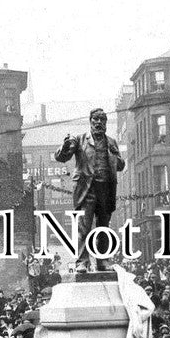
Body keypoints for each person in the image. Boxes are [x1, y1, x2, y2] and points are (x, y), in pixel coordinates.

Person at [54, 108, 125, 271]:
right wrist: (65, 145)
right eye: (96, 119)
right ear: (90, 122)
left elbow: (120, 166)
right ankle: (82, 262)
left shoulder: (112, 142)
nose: (99, 122)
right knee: (84, 226)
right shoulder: (80, 140)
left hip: (105, 189)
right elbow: (61, 157)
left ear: (106, 123)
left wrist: (115, 156)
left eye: (102, 120)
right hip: (86, 190)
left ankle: (102, 261)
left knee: (103, 227)